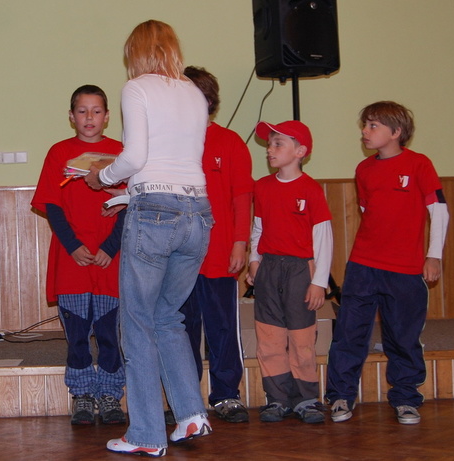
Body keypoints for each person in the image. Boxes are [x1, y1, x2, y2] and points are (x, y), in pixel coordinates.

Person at [84, 19, 214, 458]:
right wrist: (128, 195)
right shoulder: (193, 92)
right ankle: (191, 413)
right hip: (197, 214)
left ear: (136, 53)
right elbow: (176, 164)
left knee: (137, 322)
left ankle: (145, 433)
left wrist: (101, 177)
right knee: (168, 317)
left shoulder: (137, 88)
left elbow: (137, 157)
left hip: (156, 216)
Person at [325, 101, 449, 425]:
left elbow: (439, 211)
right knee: (349, 333)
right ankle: (340, 396)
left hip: (405, 269)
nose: (365, 132)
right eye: (364, 125)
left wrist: (433, 255)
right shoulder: (363, 169)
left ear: (396, 132)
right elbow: (368, 211)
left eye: (373, 126)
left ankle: (406, 398)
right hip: (363, 265)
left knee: (403, 336)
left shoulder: (419, 164)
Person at [31, 84, 126, 426]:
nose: (89, 117)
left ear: (107, 116)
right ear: (71, 116)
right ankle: (82, 393)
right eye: (82, 111)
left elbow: (130, 204)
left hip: (109, 260)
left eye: (96, 111)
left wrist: (110, 248)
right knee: (77, 336)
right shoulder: (59, 153)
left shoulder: (122, 153)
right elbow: (52, 207)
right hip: (72, 260)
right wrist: (72, 246)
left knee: (110, 334)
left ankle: (111, 393)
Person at [177, 66, 254, 423]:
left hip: (220, 254)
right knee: (182, 329)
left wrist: (240, 243)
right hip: (179, 257)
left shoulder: (230, 142)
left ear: (208, 101)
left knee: (222, 327)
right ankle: (186, 398)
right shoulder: (170, 143)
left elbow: (242, 198)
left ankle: (226, 394)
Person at [246, 120, 333, 424]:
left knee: (301, 338)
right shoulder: (262, 187)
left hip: (300, 271)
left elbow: (323, 238)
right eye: (269, 144)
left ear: (300, 151)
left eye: (278, 144)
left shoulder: (311, 190)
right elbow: (258, 228)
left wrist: (319, 282)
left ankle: (306, 399)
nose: (270, 149)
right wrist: (254, 261)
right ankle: (277, 398)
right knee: (269, 337)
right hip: (269, 269)